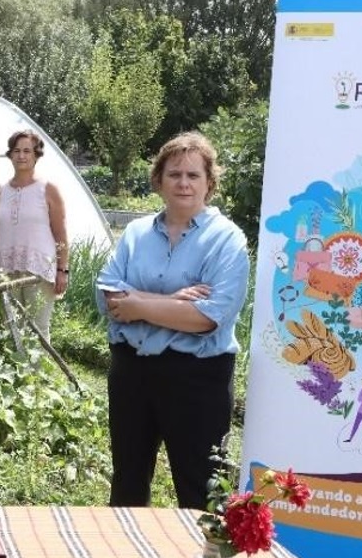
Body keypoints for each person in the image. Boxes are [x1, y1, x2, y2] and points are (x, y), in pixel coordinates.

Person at [97, 132, 250, 510]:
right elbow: (110, 300)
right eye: (174, 174)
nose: (183, 183)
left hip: (197, 379)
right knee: (128, 484)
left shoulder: (227, 240)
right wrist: (168, 302)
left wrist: (140, 303)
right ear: (159, 181)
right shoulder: (134, 234)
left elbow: (206, 317)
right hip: (132, 373)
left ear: (209, 183)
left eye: (193, 175)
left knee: (201, 490)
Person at [0, 129, 68, 342]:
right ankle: (12, 375)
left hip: (38, 271)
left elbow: (61, 234)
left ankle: (37, 376)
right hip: (5, 271)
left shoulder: (48, 189)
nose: (21, 156)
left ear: (36, 155)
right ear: (10, 155)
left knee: (36, 330)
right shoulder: (0, 191)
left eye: (27, 151)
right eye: (17, 150)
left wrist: (62, 270)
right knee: (8, 327)